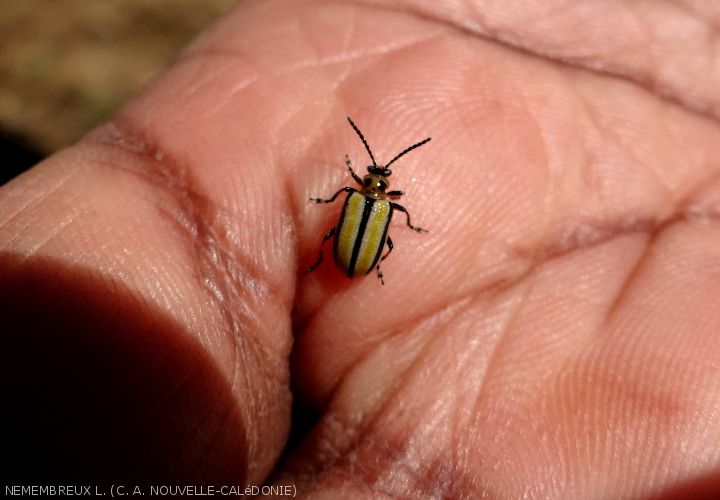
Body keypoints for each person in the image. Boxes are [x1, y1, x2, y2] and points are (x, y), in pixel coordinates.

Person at [2, 1, 720, 496]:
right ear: (379, 184)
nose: (375, 181)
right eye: (375, 176)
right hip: (358, 256)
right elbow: (383, 223)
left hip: (350, 253)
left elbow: (360, 220)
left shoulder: (357, 200)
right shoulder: (376, 203)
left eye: (375, 177)